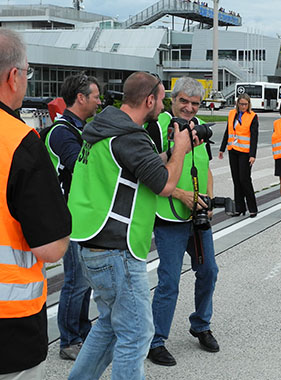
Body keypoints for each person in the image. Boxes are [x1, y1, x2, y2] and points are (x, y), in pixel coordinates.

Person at [67, 71, 193, 380]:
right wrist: (180, 150)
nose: (163, 107)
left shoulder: (103, 129)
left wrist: (167, 152)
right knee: (137, 334)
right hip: (117, 251)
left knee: (110, 325)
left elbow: (140, 166)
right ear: (150, 100)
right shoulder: (129, 137)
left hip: (91, 244)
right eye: (162, 100)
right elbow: (164, 184)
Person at [0, 28, 71, 379]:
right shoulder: (20, 142)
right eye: (27, 73)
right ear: (14, 76)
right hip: (10, 327)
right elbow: (51, 249)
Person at [145, 77, 220, 367]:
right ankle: (156, 341)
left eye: (195, 103)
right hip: (169, 217)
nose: (189, 108)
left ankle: (200, 324)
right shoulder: (157, 127)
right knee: (169, 281)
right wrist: (181, 194)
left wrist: (209, 200)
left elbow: (206, 168)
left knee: (209, 271)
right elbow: (149, 171)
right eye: (183, 101)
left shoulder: (200, 127)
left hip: (198, 216)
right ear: (172, 100)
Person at [45, 73, 101, 361]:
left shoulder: (78, 128)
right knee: (75, 281)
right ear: (81, 98)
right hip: (69, 217)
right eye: (95, 96)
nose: (99, 101)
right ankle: (68, 341)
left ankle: (81, 331)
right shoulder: (62, 131)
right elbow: (81, 167)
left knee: (84, 280)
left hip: (81, 215)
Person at [218, 93, 259, 218]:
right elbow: (228, 131)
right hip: (233, 150)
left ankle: (252, 207)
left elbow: (254, 137)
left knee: (244, 179)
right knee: (236, 180)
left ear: (249, 104)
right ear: (237, 104)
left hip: (245, 153)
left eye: (245, 104)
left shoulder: (252, 116)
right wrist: (222, 148)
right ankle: (239, 208)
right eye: (241, 104)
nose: (243, 106)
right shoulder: (232, 114)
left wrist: (253, 155)